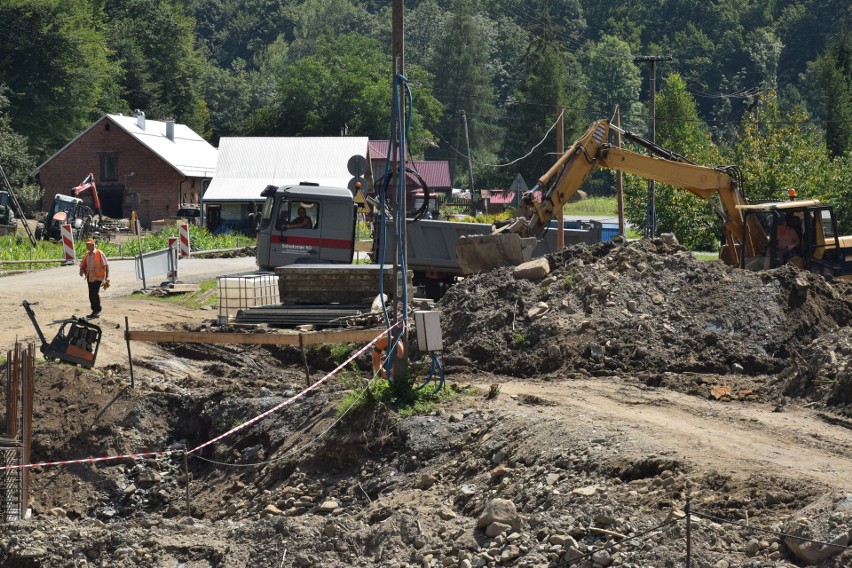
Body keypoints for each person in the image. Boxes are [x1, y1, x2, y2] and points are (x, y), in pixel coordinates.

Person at [79, 237, 109, 318]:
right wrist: (81, 270)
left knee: (94, 294)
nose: (87, 246)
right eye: (87, 245)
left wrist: (106, 278)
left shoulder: (99, 253)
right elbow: (83, 265)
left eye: (89, 245)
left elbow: (106, 265)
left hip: (98, 278)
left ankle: (98, 310)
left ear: (93, 245)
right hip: (90, 277)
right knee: (91, 295)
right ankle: (94, 310)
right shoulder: (87, 255)